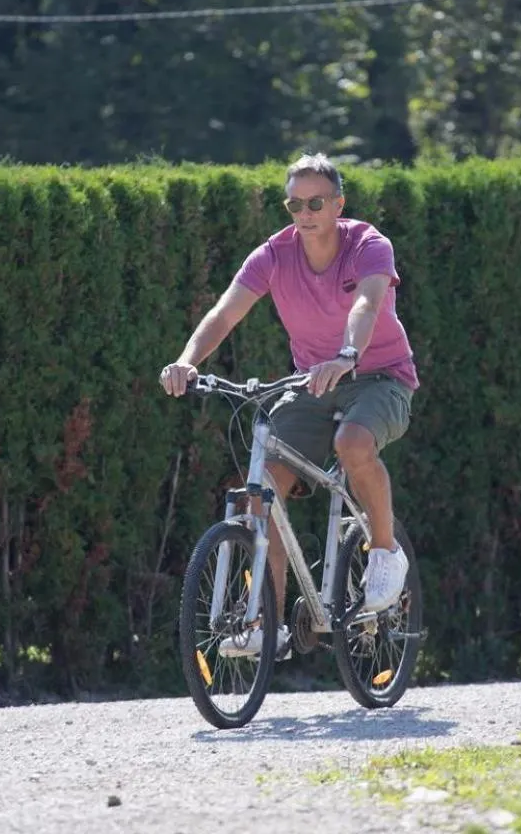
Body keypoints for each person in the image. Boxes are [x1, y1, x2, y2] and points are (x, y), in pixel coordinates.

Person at [160, 153, 418, 657]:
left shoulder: (368, 245)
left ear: (338, 204)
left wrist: (346, 356)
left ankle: (385, 552)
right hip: (312, 384)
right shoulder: (273, 255)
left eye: (316, 202)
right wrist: (186, 361)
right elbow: (225, 312)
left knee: (353, 443)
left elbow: (367, 303)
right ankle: (265, 621)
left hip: (380, 377)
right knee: (262, 490)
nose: (305, 212)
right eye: (294, 203)